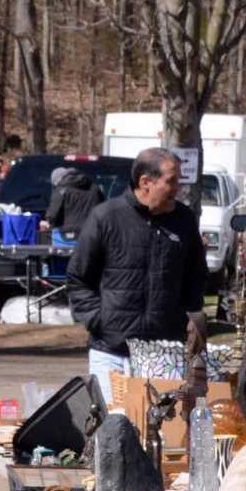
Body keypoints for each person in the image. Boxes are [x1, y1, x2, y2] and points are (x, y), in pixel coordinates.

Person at [67, 147, 208, 397]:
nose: (178, 188)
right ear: (146, 182)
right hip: (111, 351)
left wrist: (190, 316)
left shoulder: (184, 220)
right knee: (115, 428)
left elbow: (196, 276)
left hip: (164, 354)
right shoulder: (105, 217)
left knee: (165, 432)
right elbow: (79, 278)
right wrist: (100, 321)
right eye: (171, 181)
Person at [48, 163, 102, 239]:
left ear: (58, 180)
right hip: (92, 235)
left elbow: (52, 216)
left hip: (67, 236)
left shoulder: (61, 189)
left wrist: (50, 224)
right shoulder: (95, 188)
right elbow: (103, 211)